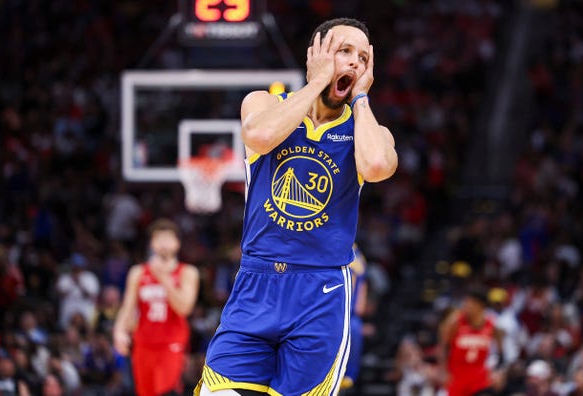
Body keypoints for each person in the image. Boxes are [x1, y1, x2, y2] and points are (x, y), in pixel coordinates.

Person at [196, 17, 397, 396]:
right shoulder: (264, 103)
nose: (355, 63)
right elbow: (260, 135)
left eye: (364, 58)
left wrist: (362, 99)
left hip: (320, 291)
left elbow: (375, 167)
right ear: (315, 55)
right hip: (256, 283)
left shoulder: (369, 129)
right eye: (344, 51)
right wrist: (318, 81)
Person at [113, 218, 200, 396]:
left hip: (171, 344)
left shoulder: (187, 272)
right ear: (152, 243)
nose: (163, 243)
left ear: (177, 243)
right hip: (143, 344)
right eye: (158, 238)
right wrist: (119, 331)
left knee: (167, 392)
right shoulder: (138, 272)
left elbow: (184, 308)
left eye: (168, 238)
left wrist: (165, 280)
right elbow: (128, 307)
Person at [438, 286, 503, 396]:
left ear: (480, 306)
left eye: (470, 303)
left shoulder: (492, 325)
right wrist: (443, 371)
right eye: (466, 302)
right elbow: (443, 347)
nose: (466, 306)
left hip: (480, 379)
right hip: (457, 377)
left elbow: (501, 353)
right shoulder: (456, 323)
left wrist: (498, 371)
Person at [341, 244, 368, 391]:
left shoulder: (357, 254)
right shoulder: (358, 254)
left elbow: (363, 284)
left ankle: (349, 377)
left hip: (345, 312)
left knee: (355, 327)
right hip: (338, 312)